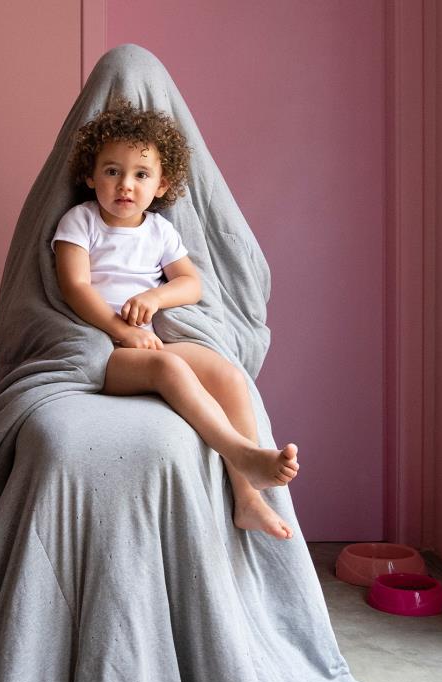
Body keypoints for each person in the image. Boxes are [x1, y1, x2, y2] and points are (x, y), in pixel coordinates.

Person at [51, 98, 299, 540]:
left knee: (225, 373)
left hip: (143, 341)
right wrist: (120, 330)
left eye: (141, 175)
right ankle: (240, 452)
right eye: (112, 171)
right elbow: (76, 287)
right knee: (168, 366)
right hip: (102, 352)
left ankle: (247, 499)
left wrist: (155, 296)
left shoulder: (159, 230)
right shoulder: (81, 221)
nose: (125, 184)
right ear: (90, 176)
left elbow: (191, 283)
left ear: (162, 184)